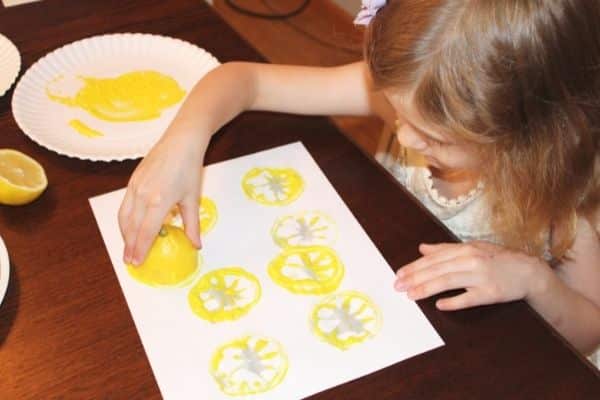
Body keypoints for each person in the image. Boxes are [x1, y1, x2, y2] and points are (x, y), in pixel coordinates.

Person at [118, 0, 600, 360]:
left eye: (434, 137)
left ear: (528, 134)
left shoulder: (560, 197)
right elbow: (246, 81)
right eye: (393, 108)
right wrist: (183, 140)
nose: (404, 134)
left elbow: (589, 333)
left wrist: (533, 279)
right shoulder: (417, 93)